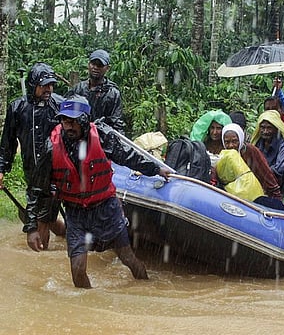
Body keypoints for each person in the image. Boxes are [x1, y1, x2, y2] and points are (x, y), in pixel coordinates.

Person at [23, 95, 170, 288]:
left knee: (127, 258)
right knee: (77, 269)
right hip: (76, 213)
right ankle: (85, 309)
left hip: (106, 208)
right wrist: (31, 227)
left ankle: (147, 286)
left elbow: (128, 156)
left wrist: (156, 170)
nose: (68, 126)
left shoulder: (101, 136)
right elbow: (37, 188)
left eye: (74, 121)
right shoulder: (52, 146)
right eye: (65, 121)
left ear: (85, 120)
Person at [0, 62, 66, 249]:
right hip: (32, 173)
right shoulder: (17, 108)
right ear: (33, 85)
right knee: (45, 217)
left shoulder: (60, 106)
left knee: (41, 221)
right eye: (44, 85)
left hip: (56, 174)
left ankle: (42, 261)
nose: (49, 89)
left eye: (51, 84)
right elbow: (8, 143)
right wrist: (1, 169)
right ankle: (68, 236)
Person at [67, 49, 125, 133]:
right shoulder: (78, 88)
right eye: (93, 64)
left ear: (107, 68)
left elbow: (115, 121)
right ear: (88, 64)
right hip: (79, 135)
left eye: (100, 65)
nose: (95, 68)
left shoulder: (112, 93)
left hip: (101, 137)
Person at [220, 123, 283, 200]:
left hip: (255, 196)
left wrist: (277, 197)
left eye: (235, 141)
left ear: (240, 139)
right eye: (227, 142)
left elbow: (266, 174)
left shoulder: (250, 152)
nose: (231, 146)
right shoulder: (223, 155)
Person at [250, 110, 284, 191]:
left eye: (269, 128)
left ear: (276, 128)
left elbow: (279, 170)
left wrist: (260, 171)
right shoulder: (257, 143)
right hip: (259, 181)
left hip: (280, 184)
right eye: (262, 127)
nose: (265, 131)